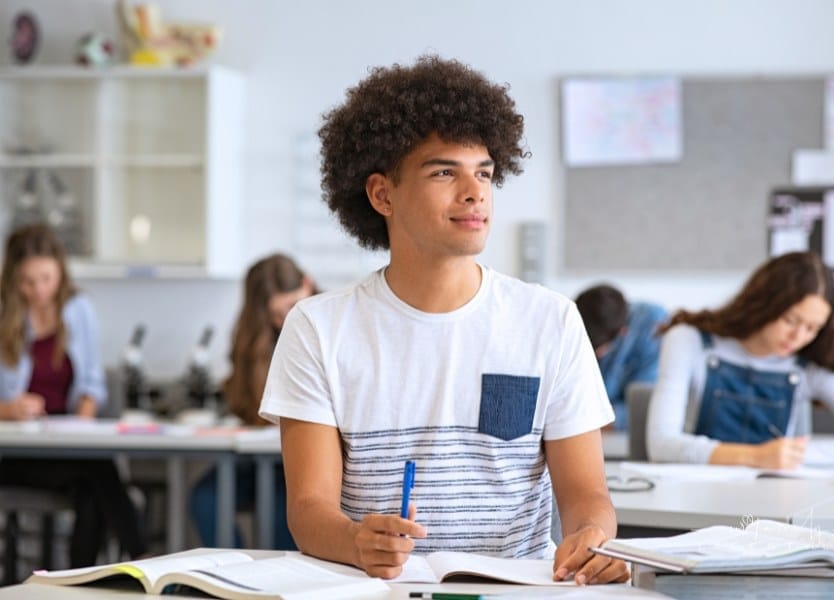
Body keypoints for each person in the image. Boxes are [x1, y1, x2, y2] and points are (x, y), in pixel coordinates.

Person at [259, 55, 628, 585]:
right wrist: (355, 542)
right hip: (381, 591)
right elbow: (309, 508)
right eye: (444, 172)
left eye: (484, 172)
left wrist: (592, 533)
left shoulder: (550, 320)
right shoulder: (318, 327)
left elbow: (587, 494)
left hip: (517, 590)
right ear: (382, 194)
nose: (474, 191)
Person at [646, 251, 834, 467]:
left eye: (813, 328)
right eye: (791, 320)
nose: (798, 336)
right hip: (694, 494)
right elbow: (660, 444)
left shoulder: (811, 366)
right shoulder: (689, 341)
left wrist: (795, 455)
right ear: (764, 303)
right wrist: (755, 456)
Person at [0, 223, 147, 567]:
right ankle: (139, 559)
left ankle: (81, 580)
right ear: (12, 278)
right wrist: (7, 409)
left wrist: (82, 420)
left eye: (46, 278)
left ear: (60, 272)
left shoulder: (78, 309)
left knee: (90, 488)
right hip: (14, 453)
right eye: (28, 281)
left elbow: (91, 382)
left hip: (64, 448)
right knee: (99, 473)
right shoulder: (4, 314)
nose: (38, 290)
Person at [189, 253, 316, 549]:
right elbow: (247, 406)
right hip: (260, 456)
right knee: (205, 500)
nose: (287, 320)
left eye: (291, 307)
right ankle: (231, 579)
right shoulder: (256, 339)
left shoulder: (333, 322)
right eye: (276, 315)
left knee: (281, 510)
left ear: (308, 285)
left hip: (305, 456)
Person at [574, 284, 668, 430]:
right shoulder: (573, 320)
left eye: (596, 351)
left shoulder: (653, 327)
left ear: (622, 332)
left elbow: (643, 410)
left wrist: (584, 418)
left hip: (623, 436)